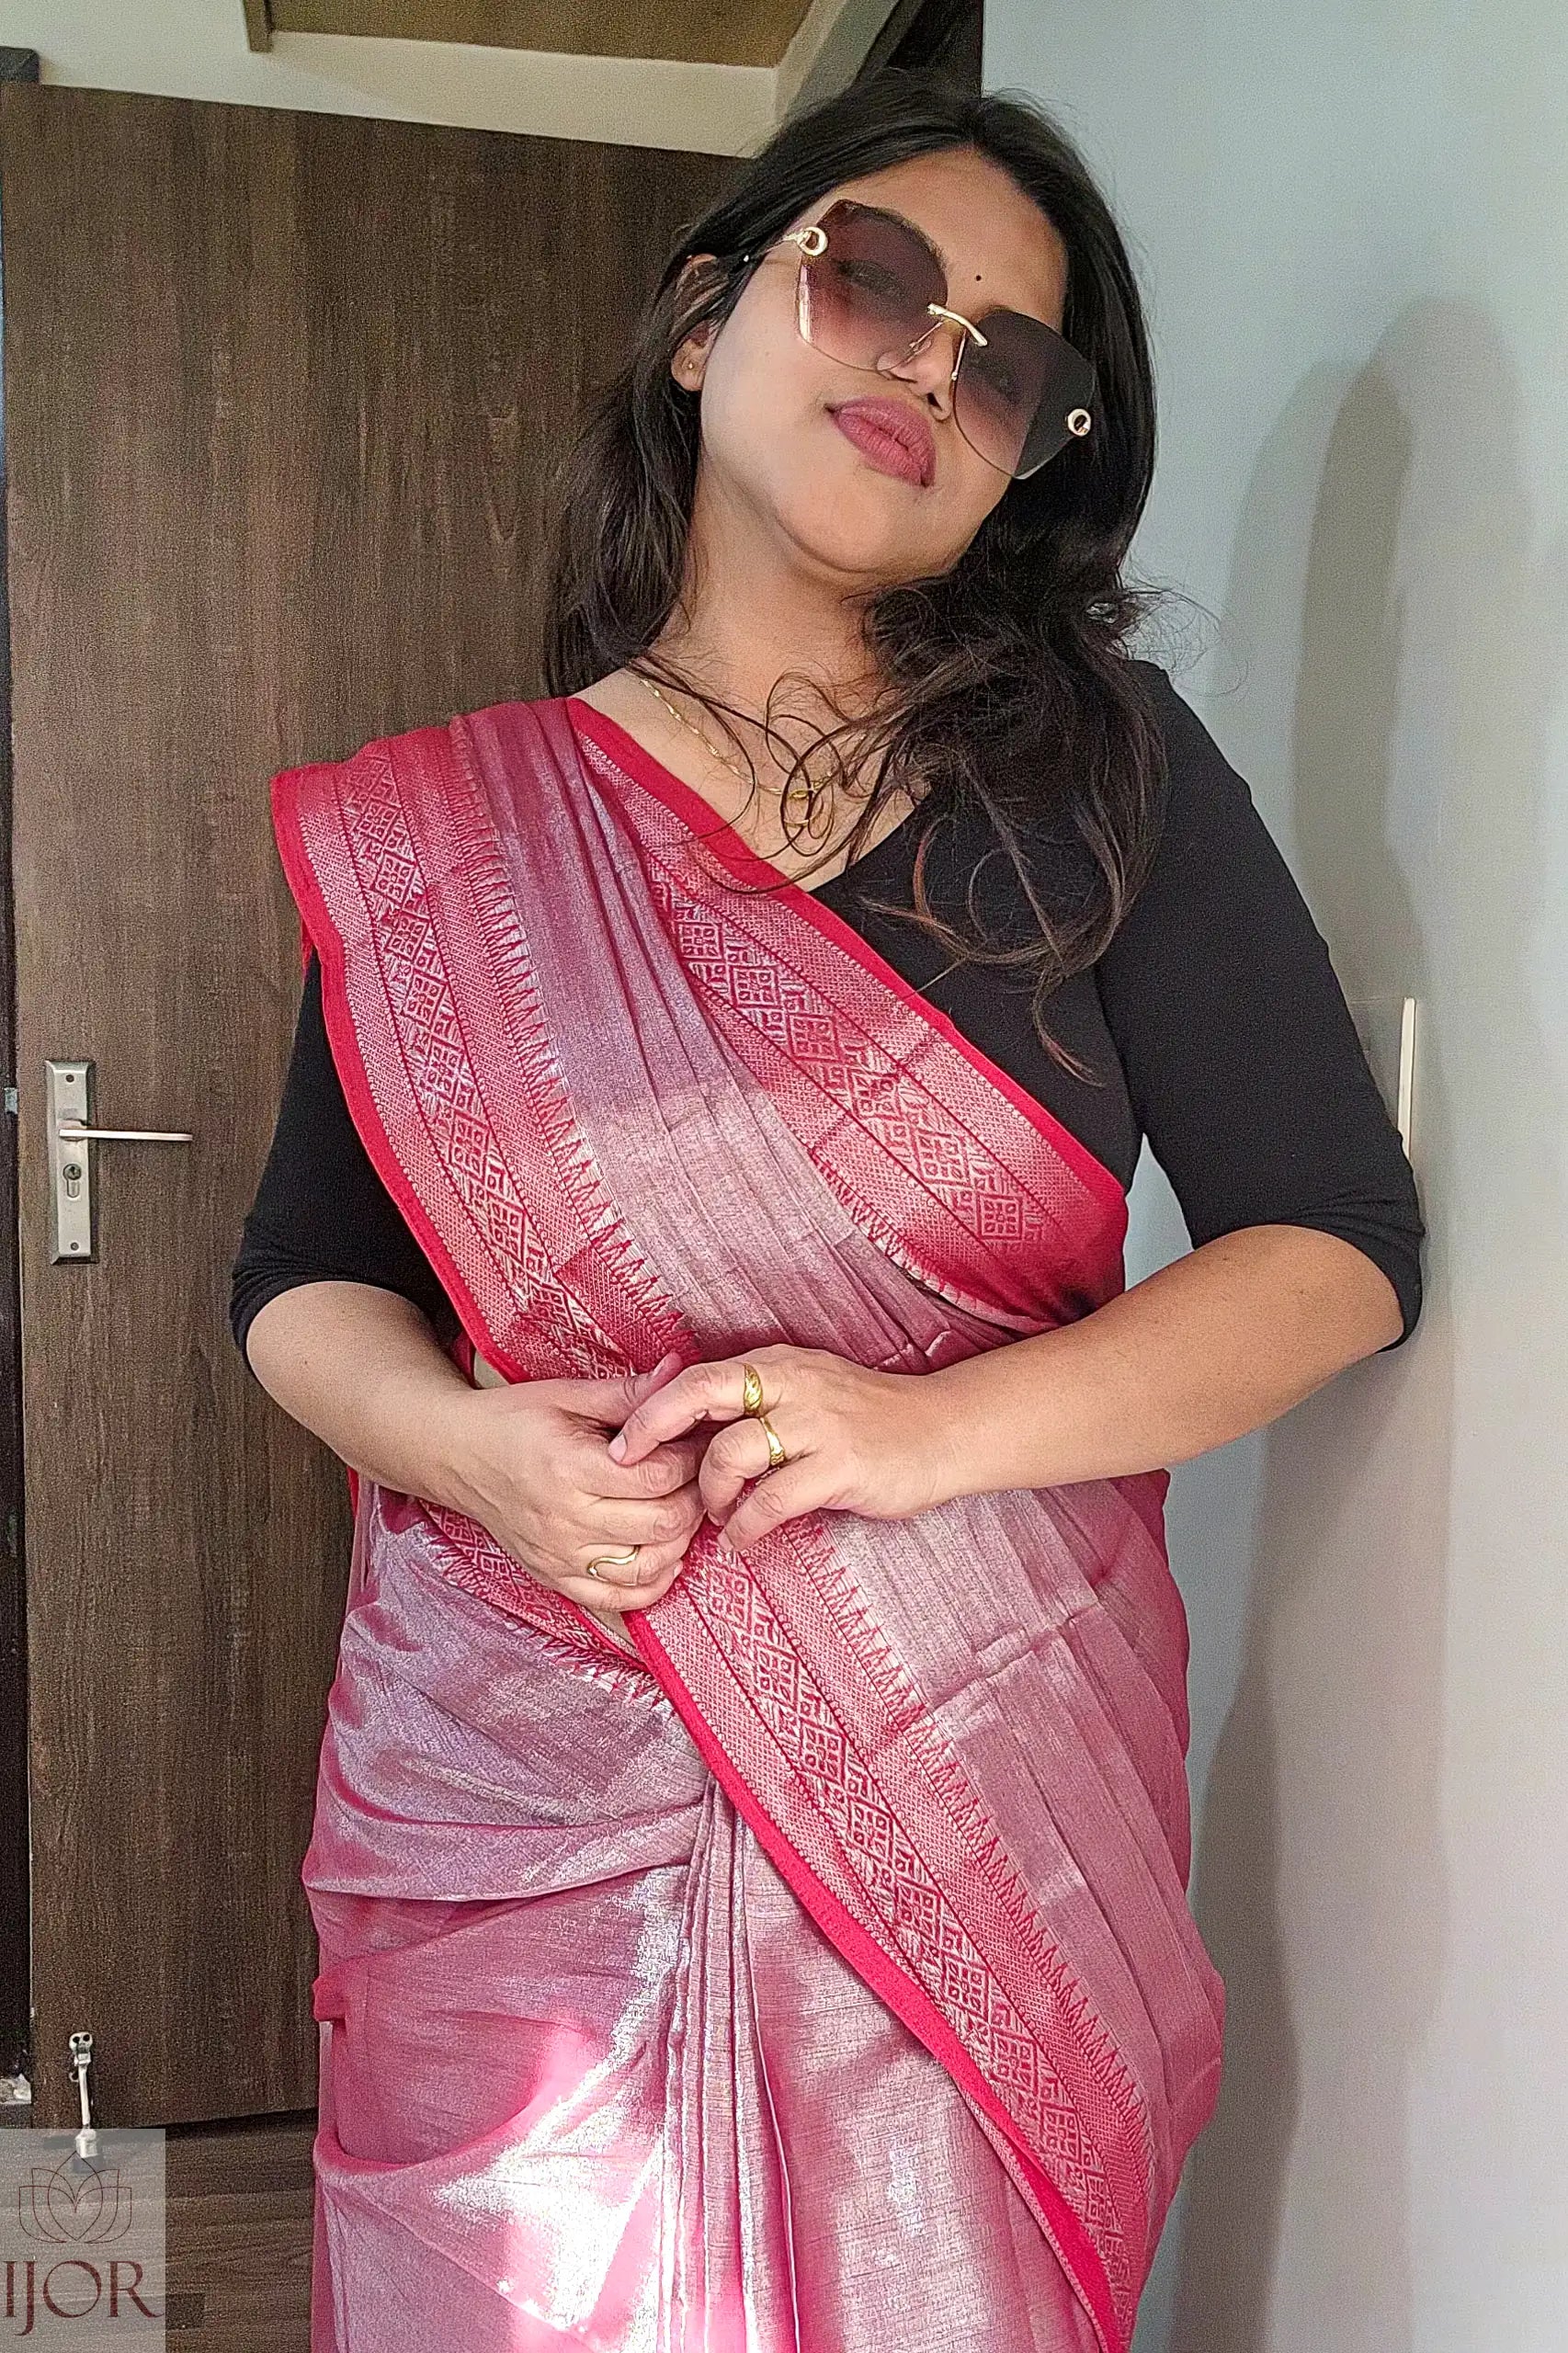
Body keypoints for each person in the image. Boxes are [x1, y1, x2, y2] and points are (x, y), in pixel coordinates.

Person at [232, 67, 1424, 2353]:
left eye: (1010, 362)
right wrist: (469, 1446)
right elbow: (306, 1278)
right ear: (705, 323)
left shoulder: (1107, 781)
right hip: (523, 1806)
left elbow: (1333, 1246)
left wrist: (919, 1430)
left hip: (976, 1799)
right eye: (872, 280)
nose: (929, 367)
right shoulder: (448, 842)